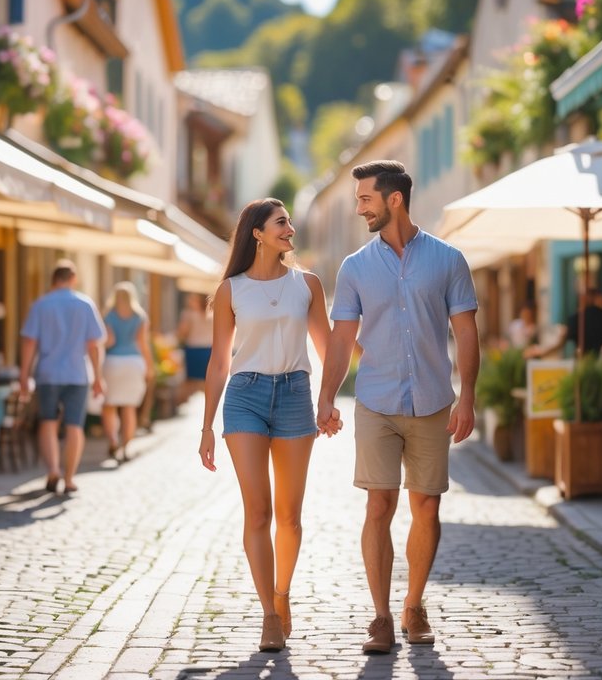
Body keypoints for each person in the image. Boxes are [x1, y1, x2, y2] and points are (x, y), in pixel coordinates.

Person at [316, 160, 479, 655]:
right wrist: (325, 395)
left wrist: (467, 395)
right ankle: (382, 616)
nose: (358, 207)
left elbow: (467, 332)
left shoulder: (448, 260)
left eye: (365, 198)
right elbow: (341, 341)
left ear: (394, 200)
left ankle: (414, 605)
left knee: (426, 504)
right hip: (377, 403)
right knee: (378, 504)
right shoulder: (355, 268)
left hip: (432, 401)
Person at [198, 198, 332, 653]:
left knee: (290, 517)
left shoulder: (307, 285)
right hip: (244, 398)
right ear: (257, 232)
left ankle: (282, 592)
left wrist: (328, 400)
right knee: (259, 512)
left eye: (290, 221)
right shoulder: (232, 290)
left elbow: (329, 348)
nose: (290, 228)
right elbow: (219, 362)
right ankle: (269, 616)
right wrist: (206, 426)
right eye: (281, 222)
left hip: (295, 394)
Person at [19, 259, 106, 495]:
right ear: (73, 279)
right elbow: (93, 345)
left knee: (48, 422)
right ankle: (69, 479)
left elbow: (29, 342)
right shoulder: (85, 304)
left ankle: (53, 470)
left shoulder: (41, 305)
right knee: (74, 425)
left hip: (47, 373)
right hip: (78, 374)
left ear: (53, 279)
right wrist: (98, 378)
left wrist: (24, 375)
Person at [102, 281, 153, 463]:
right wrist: (149, 366)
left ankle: (113, 440)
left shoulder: (108, 316)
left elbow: (109, 340)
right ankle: (126, 447)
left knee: (109, 405)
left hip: (113, 362)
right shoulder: (140, 317)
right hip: (134, 362)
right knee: (129, 407)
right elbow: (142, 344)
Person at [524, 288, 602, 359]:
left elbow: (560, 343)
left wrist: (541, 352)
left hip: (583, 362)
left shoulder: (576, 318)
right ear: (596, 298)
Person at [177, 293, 214, 402]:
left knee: (189, 381)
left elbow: (183, 332)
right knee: (207, 381)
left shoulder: (188, 314)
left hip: (193, 349)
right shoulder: (213, 313)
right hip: (209, 349)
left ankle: (180, 406)